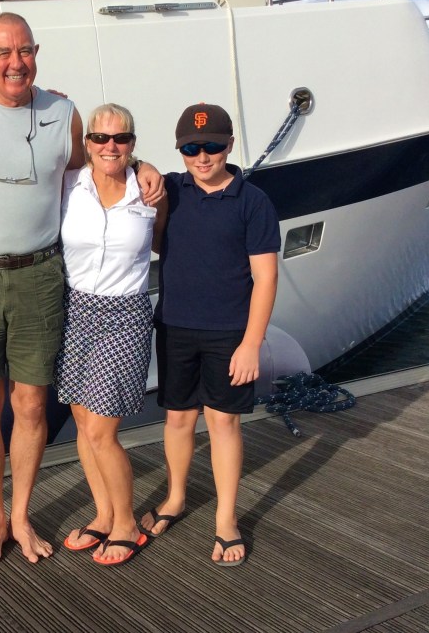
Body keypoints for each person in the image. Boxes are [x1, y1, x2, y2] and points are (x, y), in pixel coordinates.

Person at [0, 12, 164, 565]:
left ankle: (22, 517)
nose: (15, 62)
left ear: (36, 53)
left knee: (30, 405)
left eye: (24, 50)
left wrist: (142, 161)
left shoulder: (64, 113)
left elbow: (99, 164)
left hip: (40, 274)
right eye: (3, 52)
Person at [139, 103, 280, 566]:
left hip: (229, 334)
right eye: (191, 148)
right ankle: (176, 497)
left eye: (213, 146)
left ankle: (225, 519)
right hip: (176, 324)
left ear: (230, 146)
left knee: (223, 422)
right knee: (178, 418)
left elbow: (266, 278)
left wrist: (251, 343)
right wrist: (142, 166)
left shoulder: (253, 201)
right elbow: (119, 162)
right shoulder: (172, 191)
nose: (203, 157)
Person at [56, 103, 164, 566]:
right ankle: (104, 515)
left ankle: (126, 525)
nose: (109, 147)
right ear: (88, 144)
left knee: (102, 430)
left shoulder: (150, 192)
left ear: (133, 144)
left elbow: (173, 244)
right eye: (100, 138)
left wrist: (147, 169)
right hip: (74, 309)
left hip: (125, 314)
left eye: (120, 139)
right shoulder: (69, 185)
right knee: (83, 424)